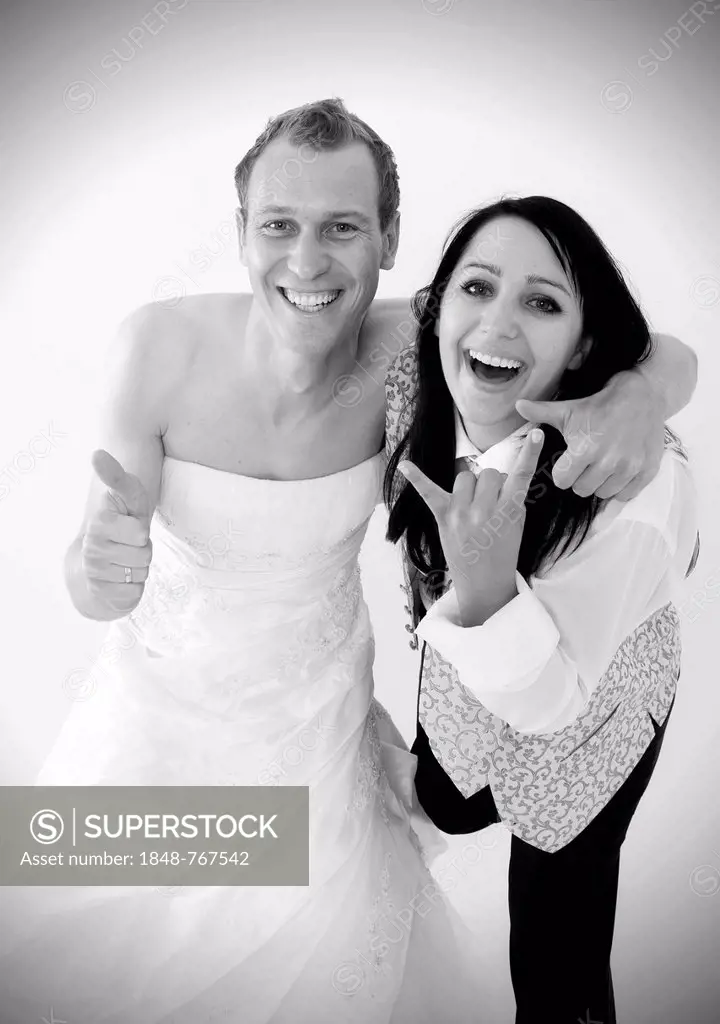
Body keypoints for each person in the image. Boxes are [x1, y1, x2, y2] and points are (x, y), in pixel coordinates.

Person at [0, 100, 696, 1022]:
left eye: (342, 228)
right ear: (241, 231)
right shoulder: (155, 343)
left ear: (390, 237)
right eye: (278, 226)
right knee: (99, 957)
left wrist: (643, 395)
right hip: (155, 723)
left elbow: (654, 346)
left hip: (317, 732)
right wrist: (96, 570)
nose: (307, 262)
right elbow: (91, 581)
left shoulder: (419, 340)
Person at [384, 196, 699, 1024]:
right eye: (477, 288)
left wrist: (486, 587)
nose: (497, 323)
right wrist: (656, 376)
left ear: (585, 342)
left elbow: (554, 701)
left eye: (543, 302)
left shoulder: (632, 490)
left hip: (596, 723)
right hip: (465, 677)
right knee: (447, 799)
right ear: (437, 306)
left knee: (557, 950)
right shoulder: (415, 368)